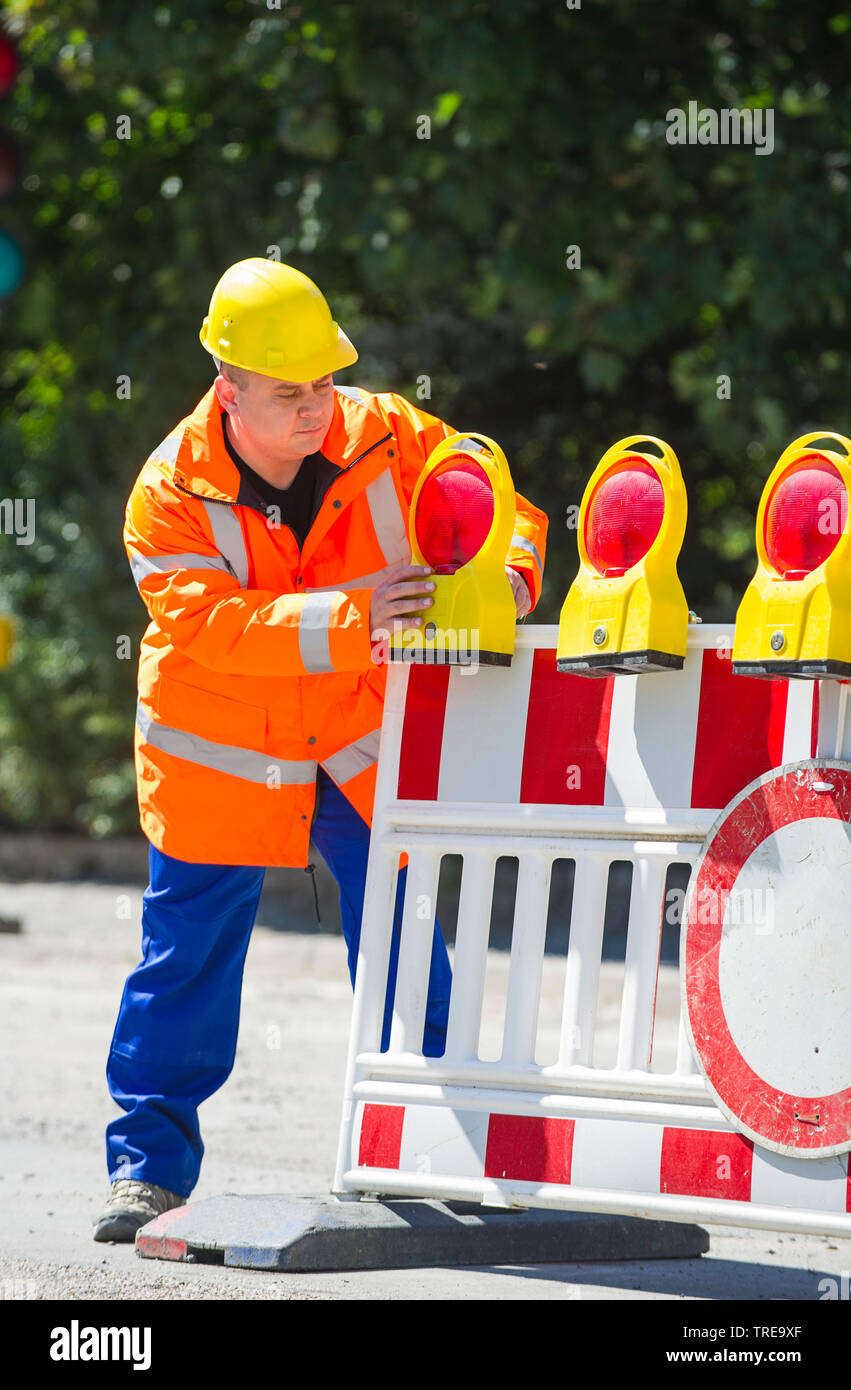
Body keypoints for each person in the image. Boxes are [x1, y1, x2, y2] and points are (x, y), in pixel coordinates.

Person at [93, 258, 548, 1242]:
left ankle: (425, 1148)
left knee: (399, 939)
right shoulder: (168, 492)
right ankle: (148, 1169)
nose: (315, 407)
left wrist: (509, 574)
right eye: (289, 391)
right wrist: (350, 615)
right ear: (229, 391)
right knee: (184, 962)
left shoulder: (389, 431)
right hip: (225, 751)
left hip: (351, 739)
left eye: (324, 382)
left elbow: (499, 499)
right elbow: (210, 626)